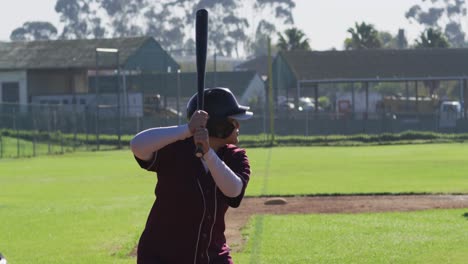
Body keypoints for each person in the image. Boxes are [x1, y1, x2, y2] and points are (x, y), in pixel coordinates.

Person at [130, 87, 253, 264]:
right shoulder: (176, 147)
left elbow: (233, 192)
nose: (238, 126)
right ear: (219, 125)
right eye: (233, 120)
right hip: (161, 256)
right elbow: (137, 145)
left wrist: (208, 153)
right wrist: (187, 130)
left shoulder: (236, 156)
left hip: (212, 255)